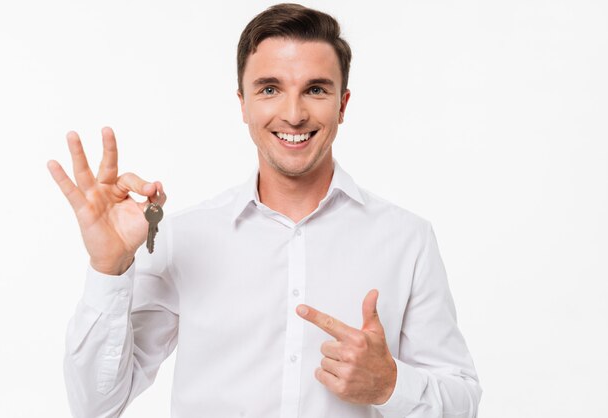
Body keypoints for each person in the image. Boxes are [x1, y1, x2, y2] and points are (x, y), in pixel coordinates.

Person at [48, 3, 481, 417]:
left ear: (343, 105)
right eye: (270, 89)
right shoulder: (184, 237)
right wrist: (108, 268)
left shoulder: (407, 240)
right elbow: (96, 406)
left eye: (315, 89)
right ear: (243, 103)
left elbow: (464, 401)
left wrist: (390, 386)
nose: (293, 114)